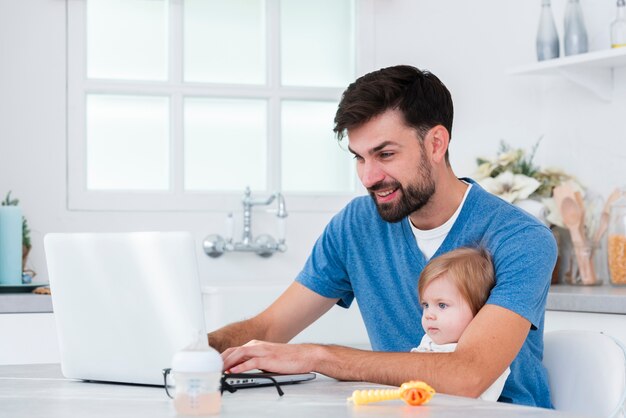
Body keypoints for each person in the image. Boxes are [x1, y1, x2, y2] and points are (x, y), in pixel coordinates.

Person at [209, 65, 557, 407]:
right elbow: (268, 329)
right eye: (359, 157)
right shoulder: (356, 226)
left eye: (385, 154)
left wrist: (318, 356)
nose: (369, 176)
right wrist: (198, 351)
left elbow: (468, 375)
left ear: (436, 144)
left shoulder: (521, 239)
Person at [412, 246, 510, 401]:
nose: (429, 315)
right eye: (426, 305)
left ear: (479, 310)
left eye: (442, 305)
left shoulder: (486, 357)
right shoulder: (428, 342)